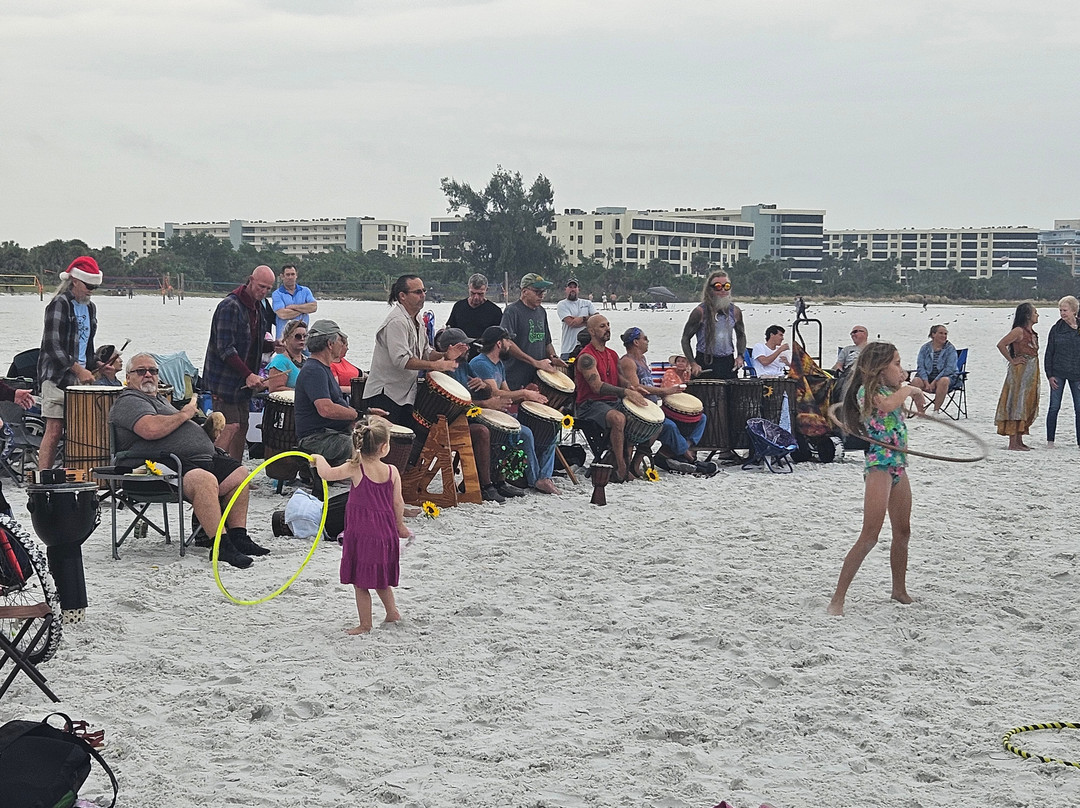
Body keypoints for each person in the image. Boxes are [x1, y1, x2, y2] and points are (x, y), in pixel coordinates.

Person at [109, 353, 269, 569]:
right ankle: (221, 546)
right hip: (150, 466)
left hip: (188, 461)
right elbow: (150, 429)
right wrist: (185, 415)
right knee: (202, 479)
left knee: (239, 474)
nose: (148, 375)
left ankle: (239, 536)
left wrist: (206, 432)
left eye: (153, 371)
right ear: (128, 377)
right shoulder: (130, 400)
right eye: (141, 371)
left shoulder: (157, 400)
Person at [826, 342, 926, 616]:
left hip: (898, 466)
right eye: (896, 363)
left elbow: (898, 406)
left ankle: (899, 590)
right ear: (880, 369)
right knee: (869, 536)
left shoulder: (892, 390)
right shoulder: (867, 392)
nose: (901, 369)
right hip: (879, 466)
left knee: (903, 531)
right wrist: (910, 389)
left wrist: (912, 393)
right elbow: (887, 406)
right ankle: (838, 599)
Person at [311, 417, 409, 635]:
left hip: (363, 533)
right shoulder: (392, 471)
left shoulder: (355, 467)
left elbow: (327, 474)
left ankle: (365, 624)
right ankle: (392, 612)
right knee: (381, 577)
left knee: (360, 582)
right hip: (385, 533)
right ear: (384, 447)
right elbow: (398, 502)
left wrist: (319, 459)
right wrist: (400, 525)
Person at [469, 325, 561, 496]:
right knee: (526, 433)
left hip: (500, 412)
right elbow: (495, 394)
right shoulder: (481, 363)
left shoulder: (499, 365)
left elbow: (507, 394)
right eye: (508, 340)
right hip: (485, 414)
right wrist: (524, 393)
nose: (510, 345)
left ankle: (544, 477)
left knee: (549, 427)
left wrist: (528, 394)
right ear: (499, 343)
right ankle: (535, 480)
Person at [364, 275, 465, 427]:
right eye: (417, 292)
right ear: (402, 296)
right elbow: (401, 361)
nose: (423, 295)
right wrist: (436, 366)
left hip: (404, 394)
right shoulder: (396, 322)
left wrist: (445, 355)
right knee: (388, 444)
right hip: (385, 394)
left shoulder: (417, 318)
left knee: (405, 443)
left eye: (424, 291)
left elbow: (426, 352)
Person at [37, 256, 104, 469]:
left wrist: (98, 365)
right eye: (88, 285)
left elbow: (87, 345)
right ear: (75, 280)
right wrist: (78, 368)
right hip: (57, 378)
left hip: (80, 379)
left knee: (82, 431)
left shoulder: (91, 308)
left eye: (95, 286)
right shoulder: (59, 303)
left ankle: (78, 476)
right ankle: (42, 482)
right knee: (54, 430)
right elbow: (52, 345)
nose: (91, 290)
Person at [618, 327, 714, 475]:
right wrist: (664, 392)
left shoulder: (642, 359)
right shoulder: (628, 362)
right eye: (645, 338)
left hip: (654, 409)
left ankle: (684, 448)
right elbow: (635, 387)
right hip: (641, 412)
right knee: (669, 427)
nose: (647, 341)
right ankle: (689, 457)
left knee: (700, 418)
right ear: (636, 342)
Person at [203, 266, 274, 460]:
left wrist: (274, 345)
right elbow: (225, 348)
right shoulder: (230, 306)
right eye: (261, 286)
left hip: (242, 382)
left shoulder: (259, 306)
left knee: (243, 427)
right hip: (224, 381)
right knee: (229, 427)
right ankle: (213, 469)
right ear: (250, 280)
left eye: (268, 288)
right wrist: (248, 374)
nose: (264, 291)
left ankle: (234, 472)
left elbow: (253, 341)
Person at [433, 327, 507, 502]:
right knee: (482, 431)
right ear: (451, 348)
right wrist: (484, 404)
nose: (468, 349)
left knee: (500, 427)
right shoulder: (442, 370)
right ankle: (486, 485)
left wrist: (484, 385)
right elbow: (453, 402)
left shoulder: (465, 365)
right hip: (447, 423)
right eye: (463, 346)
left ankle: (497, 479)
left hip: (463, 417)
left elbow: (489, 392)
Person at [575, 315, 648, 483]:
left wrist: (631, 387)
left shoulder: (613, 354)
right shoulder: (586, 357)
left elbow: (620, 379)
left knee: (647, 417)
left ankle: (630, 463)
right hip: (589, 404)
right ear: (592, 331)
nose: (607, 328)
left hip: (611, 402)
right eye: (602, 326)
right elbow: (596, 387)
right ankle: (621, 467)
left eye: (608, 325)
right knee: (618, 418)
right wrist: (625, 392)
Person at [295, 320, 360, 466]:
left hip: (329, 433)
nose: (342, 345)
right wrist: (357, 415)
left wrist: (365, 414)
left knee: (372, 437)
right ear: (330, 344)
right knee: (366, 447)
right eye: (339, 341)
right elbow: (326, 409)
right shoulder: (314, 370)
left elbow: (337, 404)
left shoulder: (322, 368)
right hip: (316, 438)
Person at [500, 273, 567, 391]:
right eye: (537, 292)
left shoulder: (541, 311)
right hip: (516, 375)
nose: (541, 296)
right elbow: (507, 342)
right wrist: (535, 362)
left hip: (537, 375)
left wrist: (553, 357)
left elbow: (547, 341)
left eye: (543, 292)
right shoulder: (512, 311)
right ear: (525, 291)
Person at [680, 270, 746, 379]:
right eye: (718, 286)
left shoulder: (735, 311)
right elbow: (685, 339)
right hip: (705, 361)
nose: (723, 290)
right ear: (710, 289)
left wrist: (740, 356)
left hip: (727, 361)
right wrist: (693, 363)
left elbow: (741, 335)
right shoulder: (700, 312)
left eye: (727, 286)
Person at [995, 302, 1041, 451]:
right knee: (1016, 402)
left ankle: (1019, 439)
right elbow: (1001, 344)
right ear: (1028, 315)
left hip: (1031, 371)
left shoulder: (1031, 332)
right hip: (1019, 372)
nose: (1037, 315)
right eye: (1035, 312)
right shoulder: (1018, 331)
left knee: (1026, 402)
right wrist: (1012, 360)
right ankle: (1013, 442)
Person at [1044, 295, 1080, 447]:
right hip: (1057, 372)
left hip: (1077, 374)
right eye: (1060, 310)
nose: (1062, 313)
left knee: (1079, 408)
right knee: (1054, 406)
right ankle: (1050, 441)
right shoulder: (1056, 329)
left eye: (1065, 310)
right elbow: (1049, 353)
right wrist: (1050, 375)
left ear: (1074, 311)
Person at [911, 325, 958, 413]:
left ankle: (936, 411)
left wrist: (935, 381)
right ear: (933, 334)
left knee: (944, 381)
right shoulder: (925, 348)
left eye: (945, 334)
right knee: (915, 381)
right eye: (941, 333)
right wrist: (926, 381)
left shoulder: (950, 349)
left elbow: (949, 369)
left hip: (946, 378)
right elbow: (920, 366)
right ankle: (921, 411)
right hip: (928, 377)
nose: (944, 336)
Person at [446, 273, 503, 344]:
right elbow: (450, 331)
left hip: (483, 351)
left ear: (486, 290)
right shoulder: (458, 306)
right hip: (460, 350)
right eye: (472, 293)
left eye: (480, 294)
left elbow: (499, 338)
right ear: (468, 288)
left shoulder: (495, 311)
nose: (476, 297)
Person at [271, 264, 318, 339]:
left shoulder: (305, 291)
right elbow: (282, 314)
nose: (290, 277)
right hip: (283, 340)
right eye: (288, 275)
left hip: (302, 338)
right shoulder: (277, 294)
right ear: (282, 276)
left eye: (293, 274)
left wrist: (293, 307)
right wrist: (304, 310)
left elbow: (314, 307)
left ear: (296, 275)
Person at [556, 277, 596, 360]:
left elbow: (597, 319)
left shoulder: (587, 303)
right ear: (566, 289)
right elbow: (571, 323)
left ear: (578, 289)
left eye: (575, 287)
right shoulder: (562, 304)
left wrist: (581, 319)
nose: (572, 289)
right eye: (570, 287)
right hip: (568, 350)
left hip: (587, 349)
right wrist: (589, 320)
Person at [265, 320, 307, 393]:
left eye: (305, 336)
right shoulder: (280, 361)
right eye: (298, 336)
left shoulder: (307, 360)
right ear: (287, 338)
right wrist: (302, 393)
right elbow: (274, 389)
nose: (302, 339)